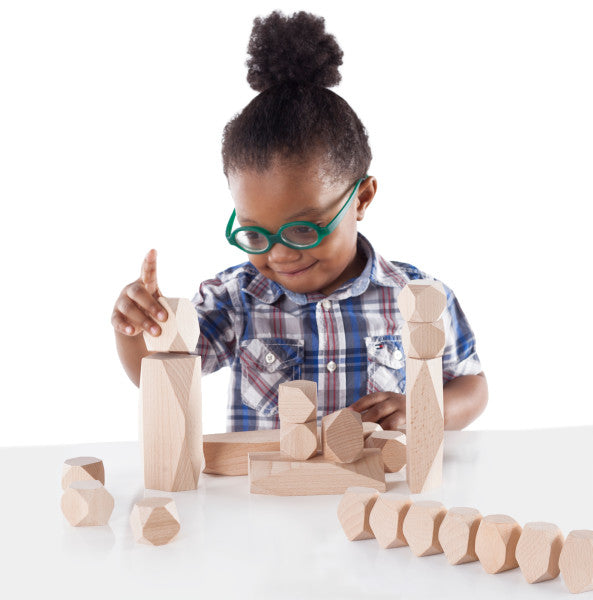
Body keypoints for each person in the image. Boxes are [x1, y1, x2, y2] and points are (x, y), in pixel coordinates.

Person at [111, 10, 488, 433]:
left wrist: (424, 408)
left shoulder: (416, 296)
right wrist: (135, 329)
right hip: (270, 497)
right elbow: (156, 375)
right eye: (254, 233)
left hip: (375, 492)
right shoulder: (235, 299)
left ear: (361, 198)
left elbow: (470, 384)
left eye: (304, 229)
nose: (279, 254)